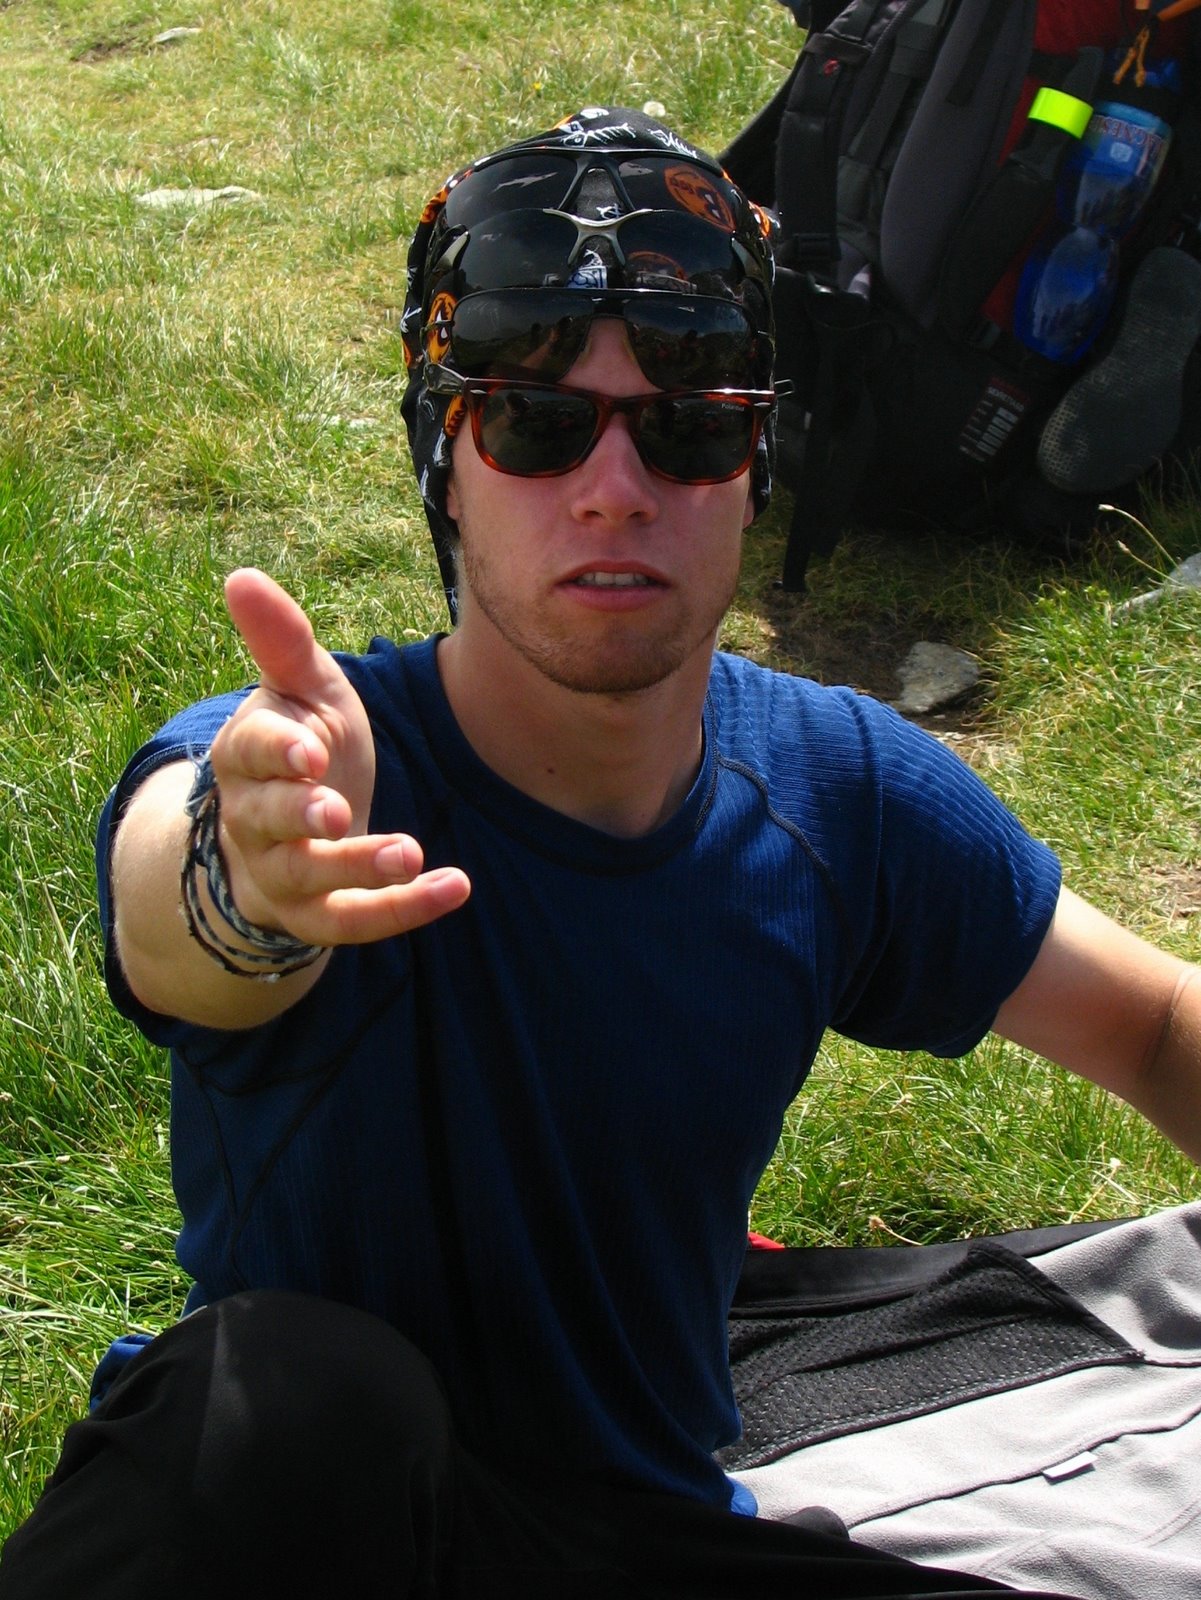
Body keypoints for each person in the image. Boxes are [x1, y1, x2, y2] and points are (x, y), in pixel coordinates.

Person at [2, 105, 1198, 1600]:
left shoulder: (833, 790)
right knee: (285, 1393)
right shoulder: (312, 765)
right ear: (445, 460)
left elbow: (1153, 1021)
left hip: (650, 1536)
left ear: (756, 463)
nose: (615, 488)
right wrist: (253, 886)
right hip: (321, 1524)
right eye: (536, 422)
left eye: (689, 426)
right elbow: (174, 917)